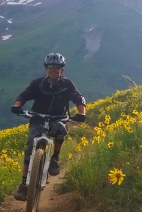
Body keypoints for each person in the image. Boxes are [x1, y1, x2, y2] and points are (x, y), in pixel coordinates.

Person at [10, 53, 86, 201]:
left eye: (57, 67)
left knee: (60, 131)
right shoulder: (38, 84)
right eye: (50, 66)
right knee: (29, 148)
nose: (53, 69)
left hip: (58, 117)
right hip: (37, 117)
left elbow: (78, 98)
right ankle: (24, 185)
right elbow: (24, 95)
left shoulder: (67, 85)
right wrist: (17, 106)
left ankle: (55, 158)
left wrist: (81, 113)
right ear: (46, 69)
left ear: (62, 69)